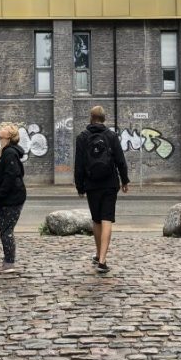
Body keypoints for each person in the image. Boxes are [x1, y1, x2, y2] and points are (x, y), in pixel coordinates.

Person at [74, 105, 129, 274]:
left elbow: (79, 164)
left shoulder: (82, 137)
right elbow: (120, 159)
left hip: (91, 184)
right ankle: (103, 260)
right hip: (110, 183)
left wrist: (80, 186)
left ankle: (98, 254)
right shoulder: (111, 136)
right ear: (104, 119)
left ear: (91, 117)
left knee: (96, 220)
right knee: (107, 219)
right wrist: (124, 180)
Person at [0, 122, 26, 273]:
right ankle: (7, 260)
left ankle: (9, 263)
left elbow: (12, 176)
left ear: (9, 135)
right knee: (3, 230)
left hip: (11, 199)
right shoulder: (3, 151)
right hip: (4, 198)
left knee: (6, 231)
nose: (2, 128)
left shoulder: (10, 153)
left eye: (6, 128)